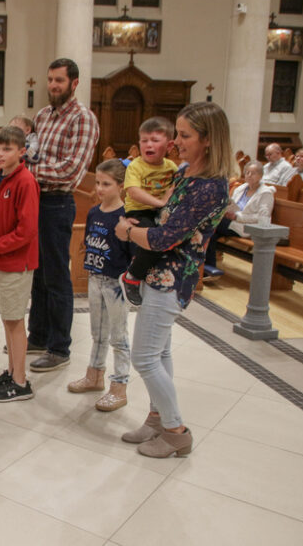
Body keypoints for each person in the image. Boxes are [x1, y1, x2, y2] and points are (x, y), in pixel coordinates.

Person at [114, 102, 231, 458]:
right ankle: (156, 418)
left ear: (208, 140)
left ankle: (176, 431)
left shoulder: (211, 187)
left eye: (184, 135)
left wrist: (126, 232)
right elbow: (164, 215)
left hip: (174, 277)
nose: (175, 142)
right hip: (156, 271)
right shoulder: (186, 173)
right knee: (160, 351)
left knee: (145, 357)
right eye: (177, 134)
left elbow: (165, 237)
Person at [27, 57, 100, 373]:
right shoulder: (42, 115)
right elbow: (31, 152)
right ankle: (39, 336)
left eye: (60, 80)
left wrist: (27, 171)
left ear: (74, 83)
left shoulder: (83, 119)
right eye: (51, 80)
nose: (53, 86)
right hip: (35, 201)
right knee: (38, 275)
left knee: (57, 277)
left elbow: (71, 170)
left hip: (57, 204)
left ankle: (59, 348)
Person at [0, 126, 40, 402]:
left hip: (16, 262)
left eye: (7, 149)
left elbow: (26, 230)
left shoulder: (25, 181)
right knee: (7, 318)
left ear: (22, 151)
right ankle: (11, 370)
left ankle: (21, 382)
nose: (0, 154)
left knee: (15, 321)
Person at [67, 159, 132, 412]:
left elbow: (129, 252)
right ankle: (94, 375)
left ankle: (120, 386)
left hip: (116, 283)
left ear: (121, 186)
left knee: (118, 336)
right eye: (98, 183)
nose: (100, 188)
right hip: (95, 278)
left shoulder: (125, 215)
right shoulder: (94, 212)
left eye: (107, 184)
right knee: (98, 332)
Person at [117, 117, 177, 306]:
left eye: (155, 140)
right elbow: (133, 191)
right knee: (154, 240)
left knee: (166, 241)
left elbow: (175, 188)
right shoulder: (136, 165)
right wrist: (160, 202)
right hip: (139, 212)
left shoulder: (171, 167)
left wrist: (165, 202)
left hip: (160, 211)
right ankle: (131, 276)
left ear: (169, 145)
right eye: (144, 141)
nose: (148, 145)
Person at [204, 160, 275, 279]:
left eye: (253, 173)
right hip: (232, 222)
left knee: (211, 224)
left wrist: (237, 216)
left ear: (261, 175)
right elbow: (232, 205)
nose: (249, 175)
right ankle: (209, 269)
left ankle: (207, 267)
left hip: (248, 227)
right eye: (247, 173)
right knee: (210, 232)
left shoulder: (266, 193)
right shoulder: (241, 188)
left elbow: (263, 217)